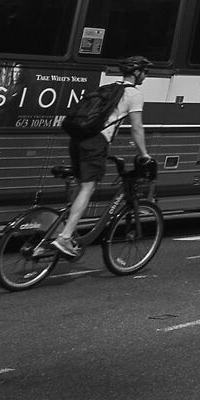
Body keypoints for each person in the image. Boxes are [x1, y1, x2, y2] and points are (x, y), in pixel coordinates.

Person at [48, 56, 154, 261]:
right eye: (145, 72)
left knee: (81, 186)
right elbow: (136, 128)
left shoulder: (108, 88)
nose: (145, 76)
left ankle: (65, 229)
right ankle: (65, 236)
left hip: (78, 138)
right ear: (137, 73)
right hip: (96, 142)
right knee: (89, 187)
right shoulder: (133, 94)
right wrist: (144, 154)